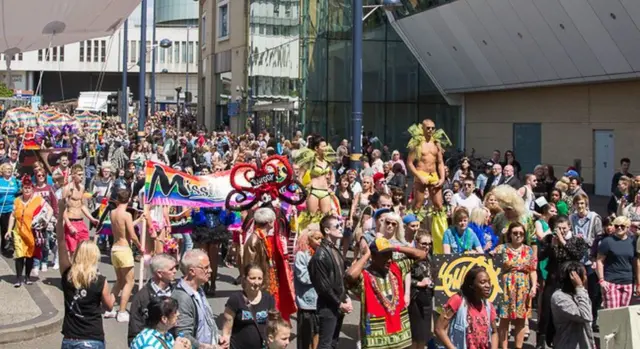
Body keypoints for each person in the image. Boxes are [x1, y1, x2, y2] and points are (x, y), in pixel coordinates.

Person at [345, 237, 427, 349]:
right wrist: (366, 255)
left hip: (400, 337)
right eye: (384, 255)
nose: (389, 259)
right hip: (376, 339)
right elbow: (350, 275)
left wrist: (395, 247)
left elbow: (422, 254)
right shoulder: (364, 277)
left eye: (390, 255)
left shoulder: (396, 268)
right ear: (373, 257)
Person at [56, 197, 114, 349]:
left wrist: (61, 212)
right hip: (92, 338)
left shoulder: (67, 273)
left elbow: (61, 241)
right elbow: (109, 306)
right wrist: (117, 289)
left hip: (70, 338)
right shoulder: (100, 281)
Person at [308, 215, 353, 349]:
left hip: (338, 304)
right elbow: (323, 287)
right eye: (337, 226)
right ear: (327, 230)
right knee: (325, 344)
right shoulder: (320, 255)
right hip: (328, 307)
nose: (341, 228)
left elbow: (340, 278)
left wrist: (346, 297)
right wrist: (339, 303)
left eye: (340, 225)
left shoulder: (334, 250)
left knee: (334, 343)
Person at [491, 223, 537, 349]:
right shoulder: (501, 248)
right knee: (504, 319)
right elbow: (489, 261)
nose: (518, 235)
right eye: (515, 233)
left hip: (523, 287)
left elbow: (532, 270)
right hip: (506, 286)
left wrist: (533, 287)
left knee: (521, 320)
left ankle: (518, 347)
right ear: (510, 235)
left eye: (521, 233)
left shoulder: (528, 250)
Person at [434, 266, 498, 349]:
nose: (488, 285)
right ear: (471, 285)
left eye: (489, 282)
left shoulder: (489, 306)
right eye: (483, 282)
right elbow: (439, 329)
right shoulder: (458, 300)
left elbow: (494, 332)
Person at [5, 175, 52, 287]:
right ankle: (18, 278)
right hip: (18, 232)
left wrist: (45, 221)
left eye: (29, 188)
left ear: (32, 188)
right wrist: (9, 230)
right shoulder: (17, 201)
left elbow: (49, 209)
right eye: (25, 188)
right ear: (22, 188)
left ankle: (27, 277)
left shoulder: (37, 200)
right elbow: (12, 216)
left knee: (29, 255)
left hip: (31, 232)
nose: (27, 190)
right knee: (19, 255)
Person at [104, 189, 143, 322]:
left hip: (115, 249)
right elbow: (132, 235)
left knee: (119, 281)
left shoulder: (113, 212)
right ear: (129, 199)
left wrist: (138, 220)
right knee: (129, 281)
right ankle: (122, 311)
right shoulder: (126, 214)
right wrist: (140, 247)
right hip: (124, 249)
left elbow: (125, 227)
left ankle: (109, 308)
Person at [172, 249, 224, 349]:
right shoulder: (183, 298)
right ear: (192, 271)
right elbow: (183, 335)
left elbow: (206, 323)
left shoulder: (198, 290)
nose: (210, 270)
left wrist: (217, 337)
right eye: (206, 268)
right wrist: (209, 347)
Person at [221, 264, 276, 349]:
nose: (256, 282)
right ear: (245, 279)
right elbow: (227, 330)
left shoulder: (268, 299)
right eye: (252, 278)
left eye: (259, 278)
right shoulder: (235, 299)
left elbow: (273, 326)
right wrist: (225, 343)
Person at [128, 254, 178, 345]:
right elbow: (134, 330)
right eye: (171, 269)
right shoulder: (142, 297)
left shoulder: (177, 292)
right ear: (159, 273)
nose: (175, 271)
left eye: (175, 267)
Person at [406, 119, 450, 212]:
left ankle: (440, 226)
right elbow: (409, 163)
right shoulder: (417, 143)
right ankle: (413, 225)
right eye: (428, 128)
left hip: (433, 174)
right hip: (421, 173)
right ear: (422, 128)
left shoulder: (436, 143)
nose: (430, 130)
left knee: (439, 205)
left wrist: (442, 178)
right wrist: (419, 176)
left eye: (433, 128)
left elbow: (440, 162)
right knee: (418, 204)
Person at [550, 261, 596, 349]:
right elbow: (586, 316)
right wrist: (579, 287)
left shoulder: (580, 294)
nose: (586, 278)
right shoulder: (559, 297)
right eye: (585, 275)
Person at [596, 216, 635, 309]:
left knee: (624, 315)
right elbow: (599, 260)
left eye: (622, 226)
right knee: (612, 315)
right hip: (611, 282)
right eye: (617, 226)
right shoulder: (607, 241)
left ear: (628, 227)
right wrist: (601, 280)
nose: (619, 228)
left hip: (628, 282)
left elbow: (635, 262)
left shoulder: (632, 242)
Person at [294, 225, 322, 349]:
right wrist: (321, 277)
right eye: (317, 238)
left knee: (318, 334)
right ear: (308, 240)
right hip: (307, 302)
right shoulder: (302, 255)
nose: (320, 241)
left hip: (320, 301)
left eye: (321, 238)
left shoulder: (321, 254)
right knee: (306, 337)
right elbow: (304, 277)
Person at [63, 164, 99, 254]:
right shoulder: (67, 189)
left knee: (84, 249)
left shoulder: (82, 188)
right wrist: (69, 226)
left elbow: (82, 205)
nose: (82, 177)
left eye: (82, 174)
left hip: (81, 222)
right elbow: (62, 209)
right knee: (73, 251)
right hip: (71, 222)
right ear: (73, 175)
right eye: (79, 175)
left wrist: (92, 219)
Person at [408, 230, 434, 349]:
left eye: (429, 244)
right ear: (416, 242)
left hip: (427, 299)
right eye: (424, 243)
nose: (427, 246)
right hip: (415, 299)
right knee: (415, 336)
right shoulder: (410, 258)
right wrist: (419, 283)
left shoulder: (429, 257)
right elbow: (403, 278)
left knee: (424, 336)